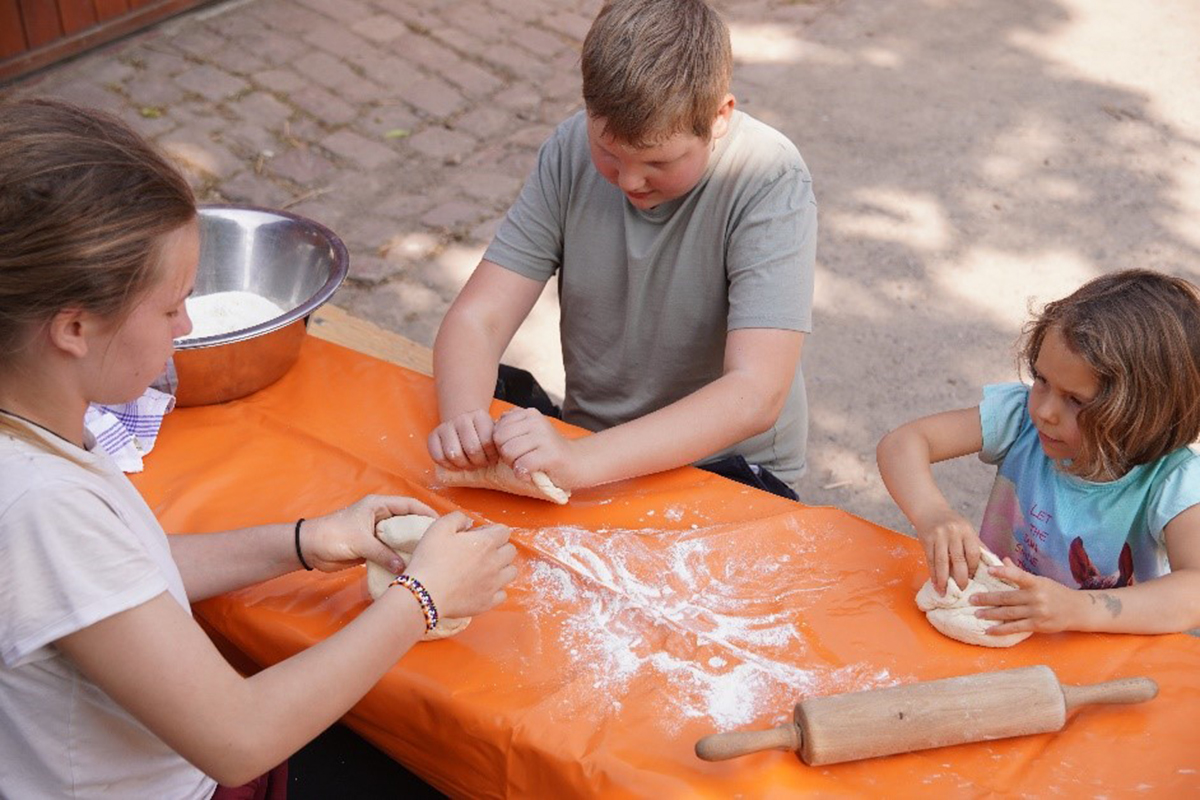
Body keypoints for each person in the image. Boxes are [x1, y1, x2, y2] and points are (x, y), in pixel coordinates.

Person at [0, 98, 517, 798]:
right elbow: (237, 739)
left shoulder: (32, 426)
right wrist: (422, 599)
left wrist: (305, 540)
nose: (185, 325)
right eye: (168, 305)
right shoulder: (40, 505)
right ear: (73, 328)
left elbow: (119, 583)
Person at [427, 0, 817, 501]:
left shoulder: (770, 178)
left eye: (659, 160)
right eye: (609, 152)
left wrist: (580, 461)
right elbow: (478, 319)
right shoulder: (570, 147)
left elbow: (756, 393)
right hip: (590, 445)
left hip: (726, 463)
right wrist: (465, 427)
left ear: (720, 117)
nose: (629, 179)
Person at [877, 269, 1200, 637]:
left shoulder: (1172, 481)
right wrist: (932, 512)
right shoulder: (1020, 421)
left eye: (1076, 400)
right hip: (1001, 630)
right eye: (1042, 380)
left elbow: (1194, 591)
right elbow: (902, 443)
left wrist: (1075, 609)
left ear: (1144, 415)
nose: (1045, 410)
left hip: (1103, 657)